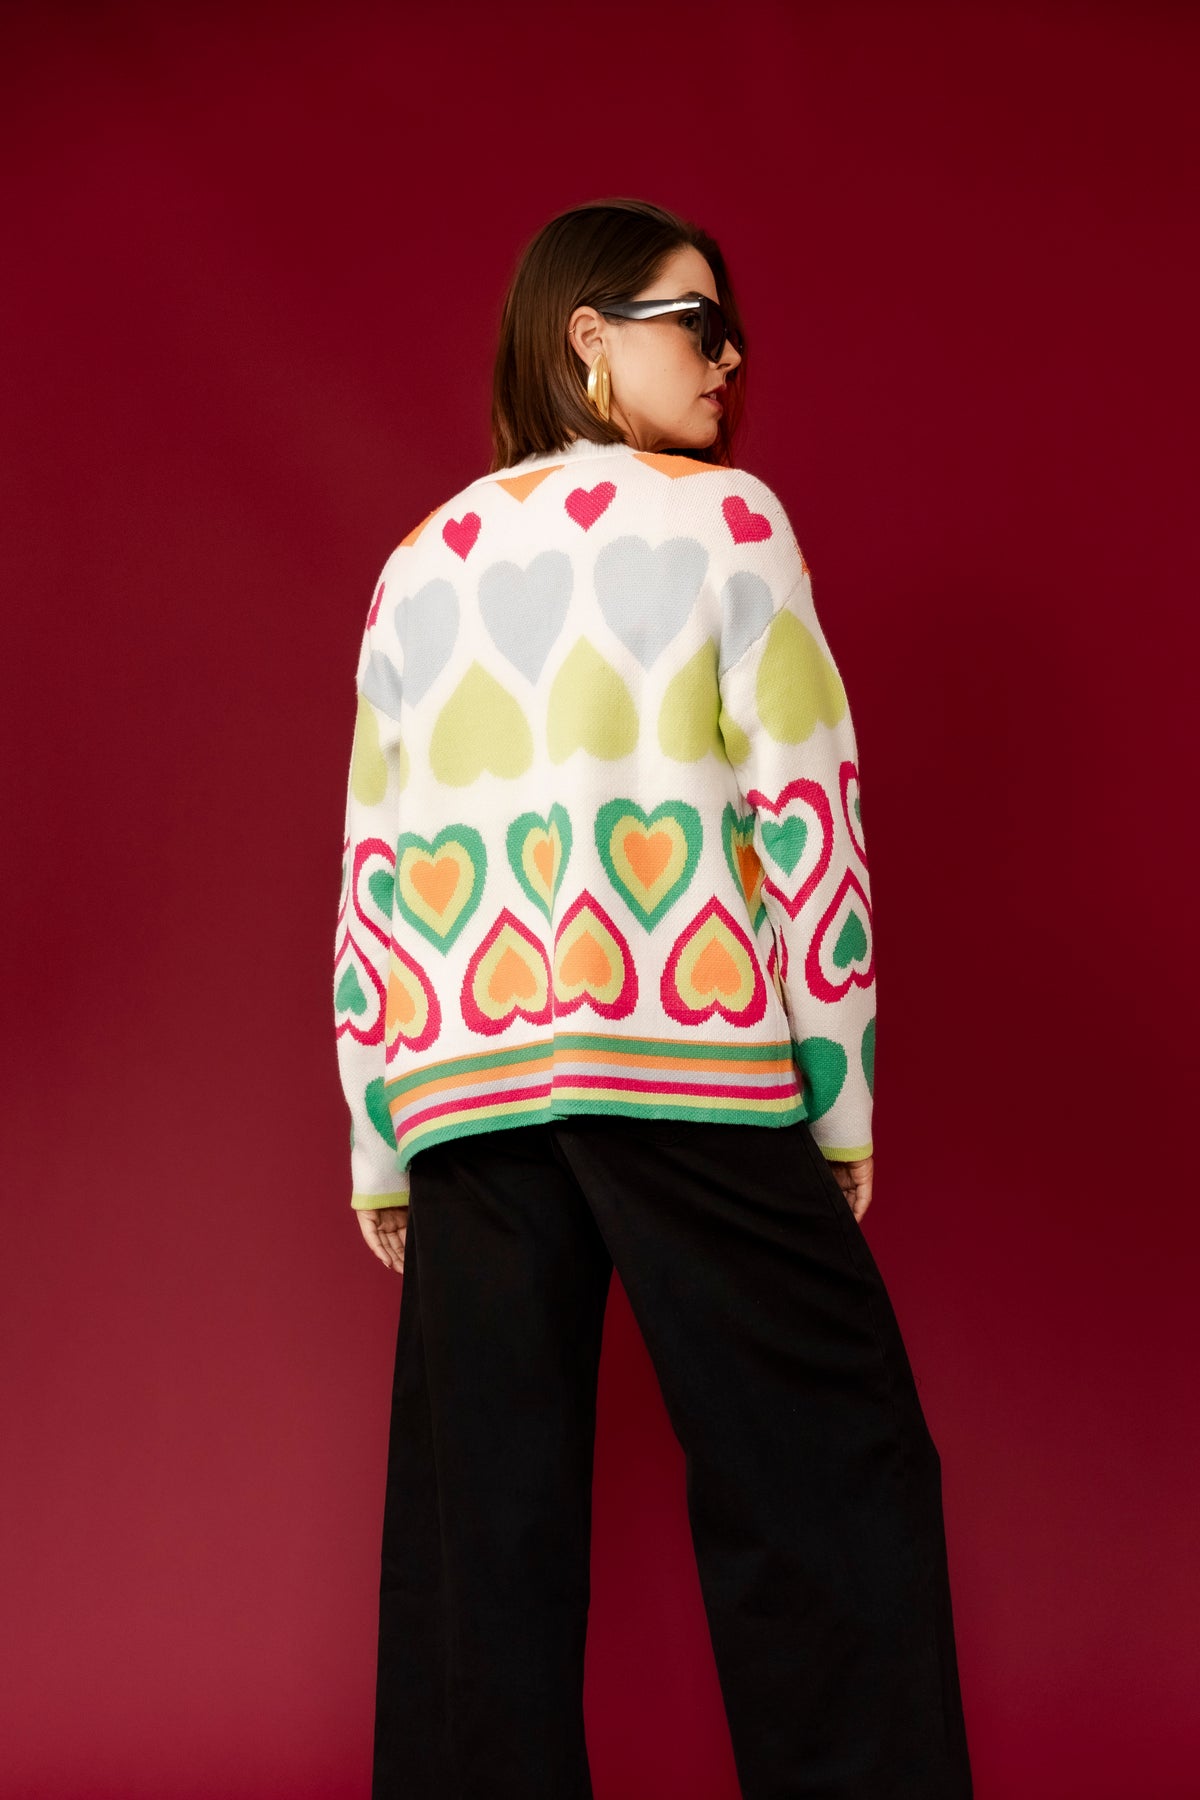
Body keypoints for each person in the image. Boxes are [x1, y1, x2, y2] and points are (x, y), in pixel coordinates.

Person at [333, 196, 973, 1800]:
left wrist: (381, 1135)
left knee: (479, 1550)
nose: (731, 355)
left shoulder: (418, 566)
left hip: (466, 1088)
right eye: (697, 321)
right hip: (688, 1059)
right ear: (587, 339)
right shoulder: (730, 523)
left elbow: (377, 866)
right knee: (827, 1479)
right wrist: (838, 1101)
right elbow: (805, 821)